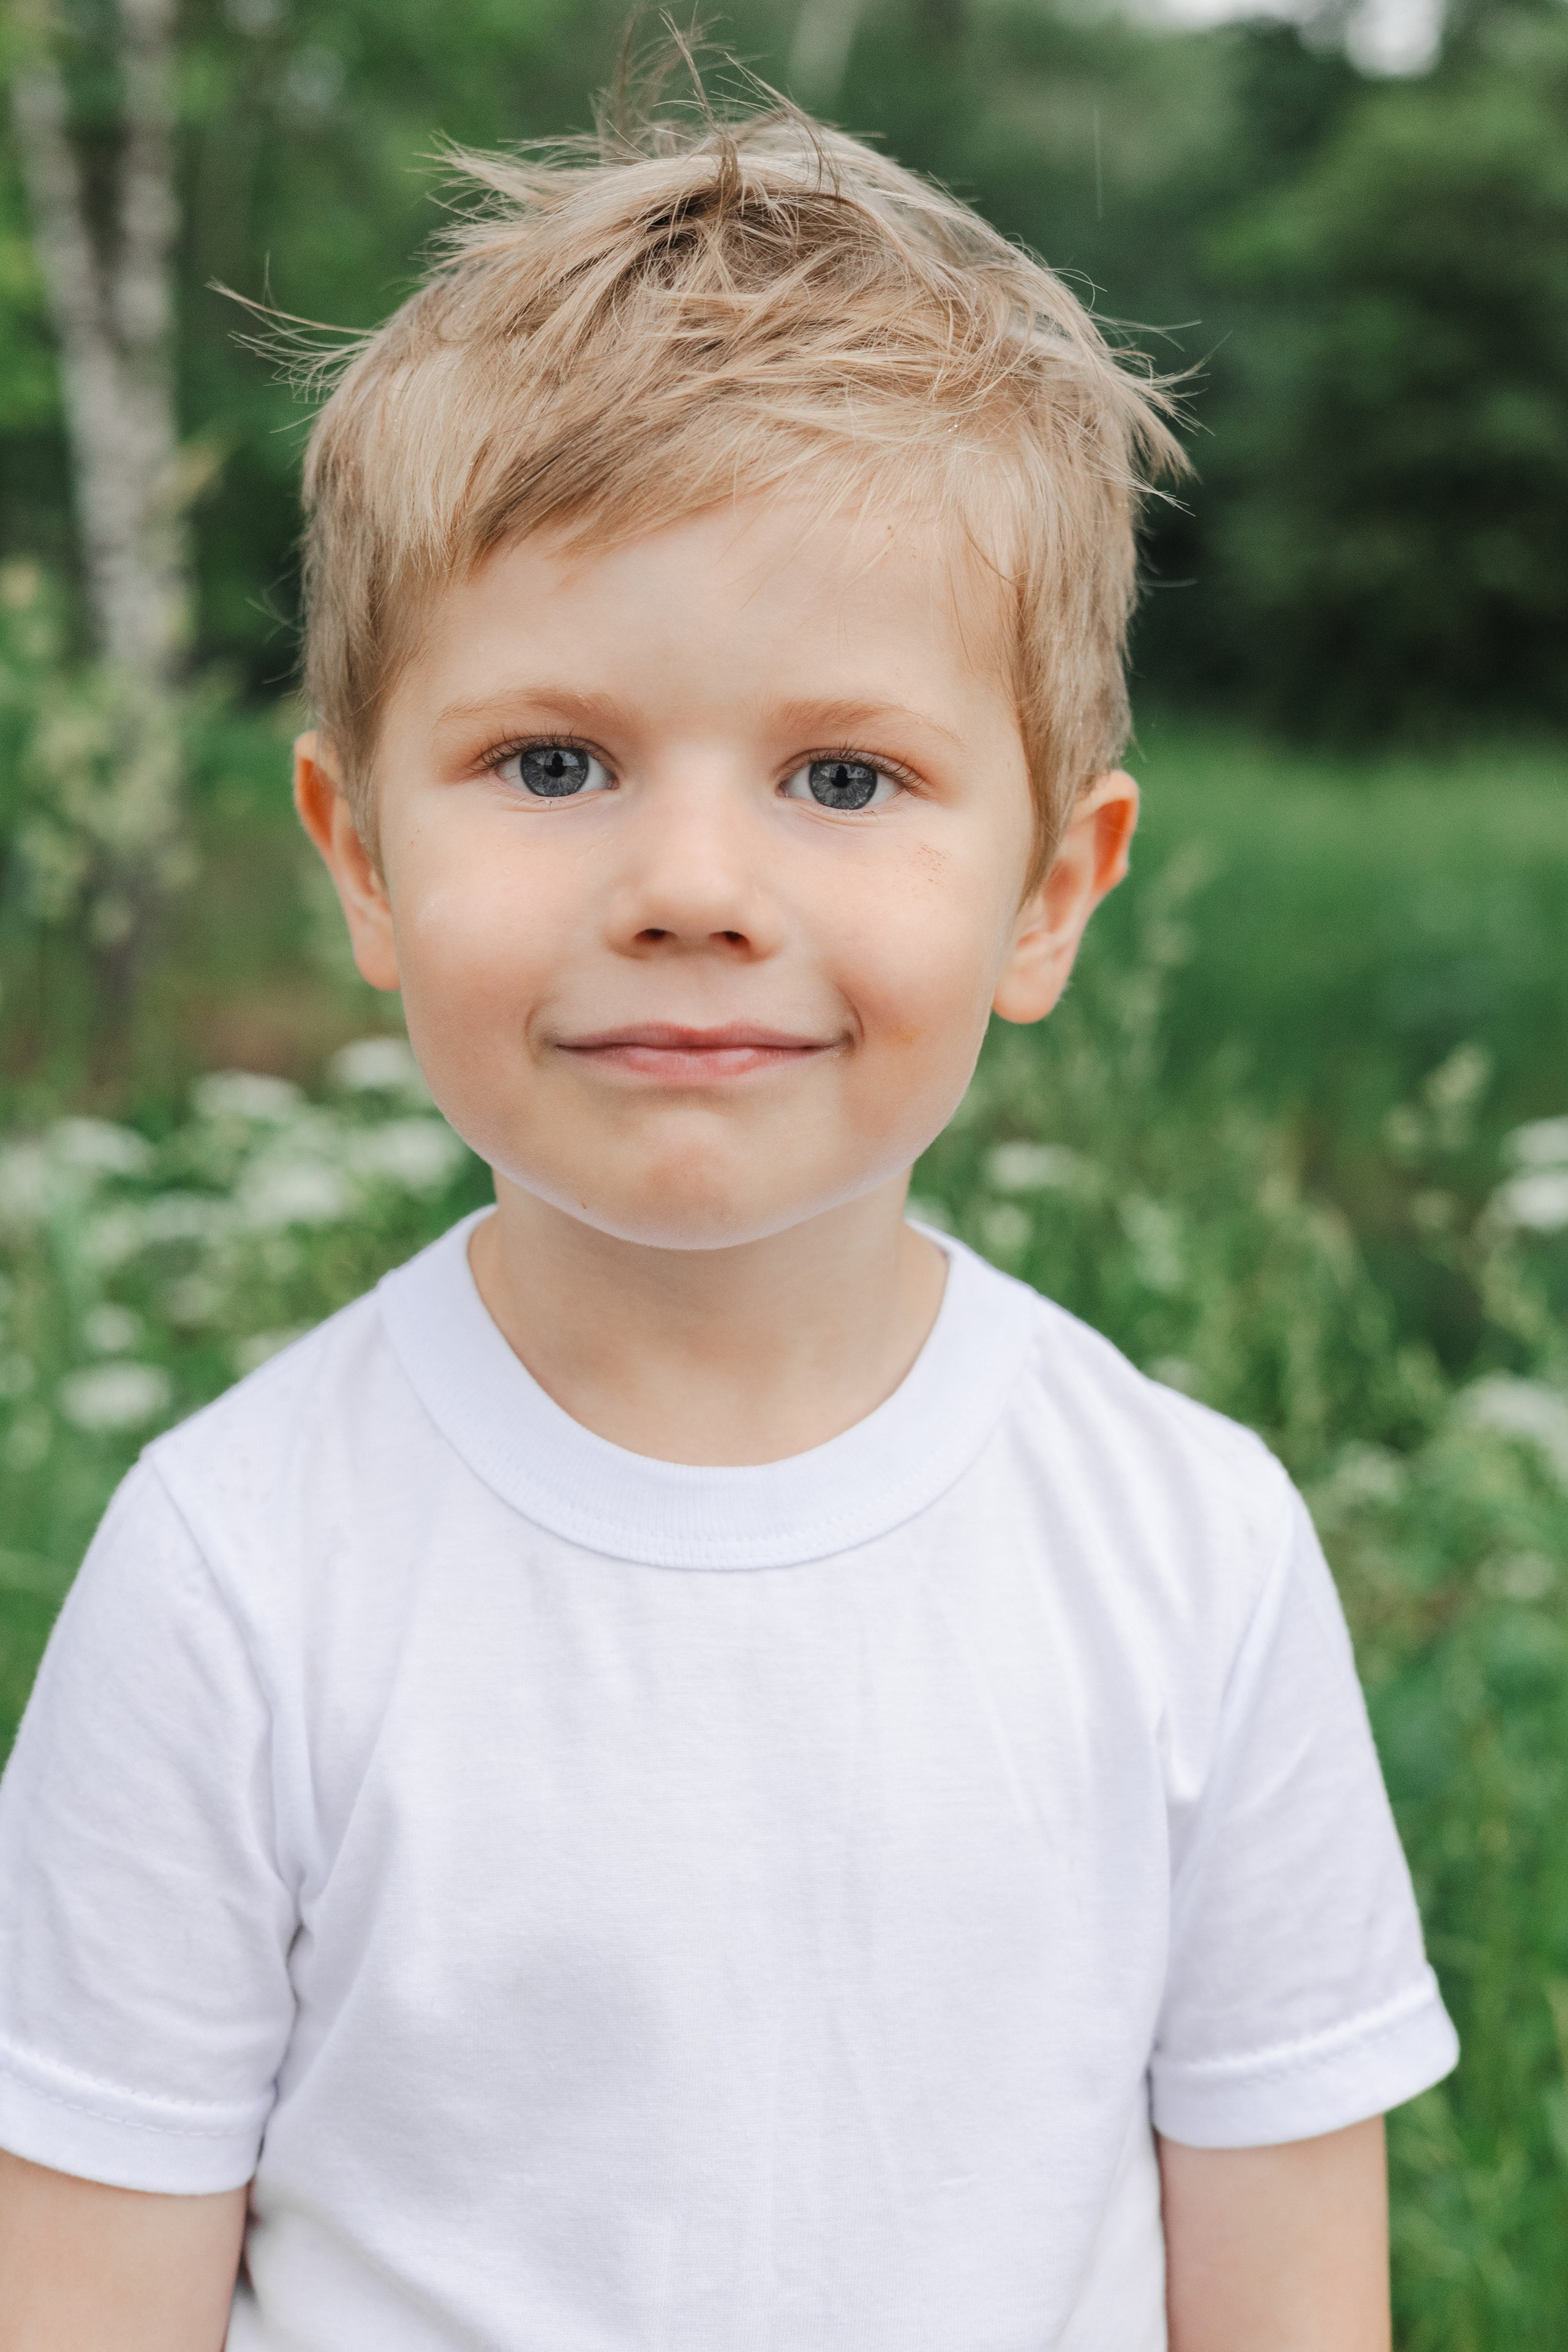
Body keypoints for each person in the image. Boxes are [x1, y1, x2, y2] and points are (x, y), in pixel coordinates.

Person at [0, 89, 1455, 2352]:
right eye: (554, 765)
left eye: (844, 778)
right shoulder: (233, 1577)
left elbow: (1288, 2290)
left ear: (1053, 889)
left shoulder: (1191, 1550)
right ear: (361, 857)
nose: (692, 893)